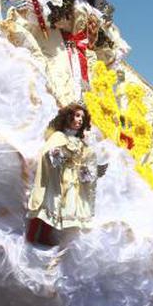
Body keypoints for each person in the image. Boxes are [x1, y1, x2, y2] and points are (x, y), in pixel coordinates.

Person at [26, 103, 104, 247]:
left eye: (82, 117)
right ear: (69, 117)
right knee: (45, 203)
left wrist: (85, 172)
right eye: (77, 115)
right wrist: (56, 155)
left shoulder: (81, 144)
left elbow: (83, 161)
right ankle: (31, 236)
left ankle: (44, 236)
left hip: (69, 182)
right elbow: (47, 152)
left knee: (57, 208)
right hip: (54, 177)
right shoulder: (59, 136)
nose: (80, 119)